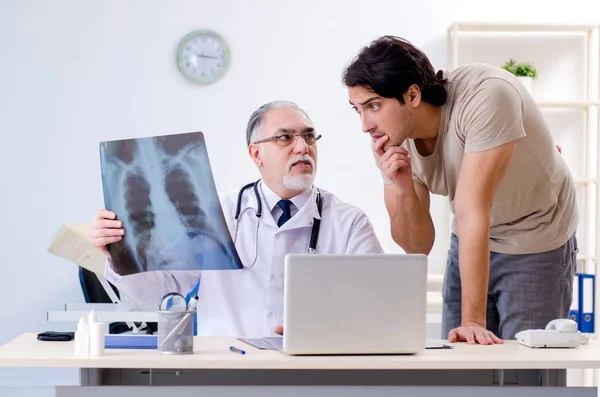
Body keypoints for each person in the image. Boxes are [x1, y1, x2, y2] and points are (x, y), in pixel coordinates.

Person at [343, 36, 578, 345]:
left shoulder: (487, 96)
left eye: (374, 106)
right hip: (470, 236)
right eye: (357, 109)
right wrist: (403, 189)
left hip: (534, 233)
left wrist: (472, 321)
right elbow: (417, 246)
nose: (365, 125)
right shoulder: (389, 140)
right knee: (459, 368)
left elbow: (472, 208)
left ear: (412, 95)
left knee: (524, 372)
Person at [90, 100, 384, 337]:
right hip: (225, 369)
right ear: (256, 154)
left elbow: (377, 306)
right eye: (285, 137)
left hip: (312, 371)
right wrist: (119, 253)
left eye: (309, 136)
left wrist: (325, 326)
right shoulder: (216, 214)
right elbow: (162, 291)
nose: (302, 147)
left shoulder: (349, 223)